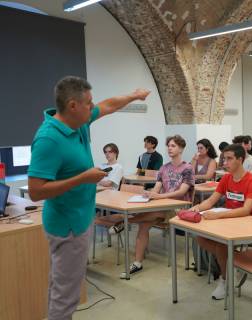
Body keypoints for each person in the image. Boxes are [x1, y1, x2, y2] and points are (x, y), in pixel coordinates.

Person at [27, 76, 150, 319]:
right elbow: (36, 190)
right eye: (88, 103)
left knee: (61, 285)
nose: (93, 107)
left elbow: (109, 104)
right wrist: (82, 178)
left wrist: (134, 95)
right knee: (66, 296)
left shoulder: (78, 122)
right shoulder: (48, 139)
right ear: (72, 105)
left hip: (79, 219)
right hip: (67, 225)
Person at [191, 144, 252, 300]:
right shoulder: (226, 178)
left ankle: (225, 280)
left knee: (221, 245)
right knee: (200, 238)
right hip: (231, 221)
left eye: (229, 159)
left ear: (240, 159)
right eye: (224, 158)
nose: (225, 162)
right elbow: (211, 200)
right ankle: (233, 264)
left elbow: (246, 210)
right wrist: (197, 208)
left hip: (250, 224)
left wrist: (218, 216)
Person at [125, 135, 195, 277]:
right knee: (144, 224)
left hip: (179, 209)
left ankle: (125, 221)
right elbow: (157, 188)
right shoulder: (164, 168)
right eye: (168, 145)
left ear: (181, 148)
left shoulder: (187, 168)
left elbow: (182, 191)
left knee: (149, 216)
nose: (169, 148)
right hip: (162, 207)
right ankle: (137, 262)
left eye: (173, 145)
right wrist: (150, 194)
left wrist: (159, 196)